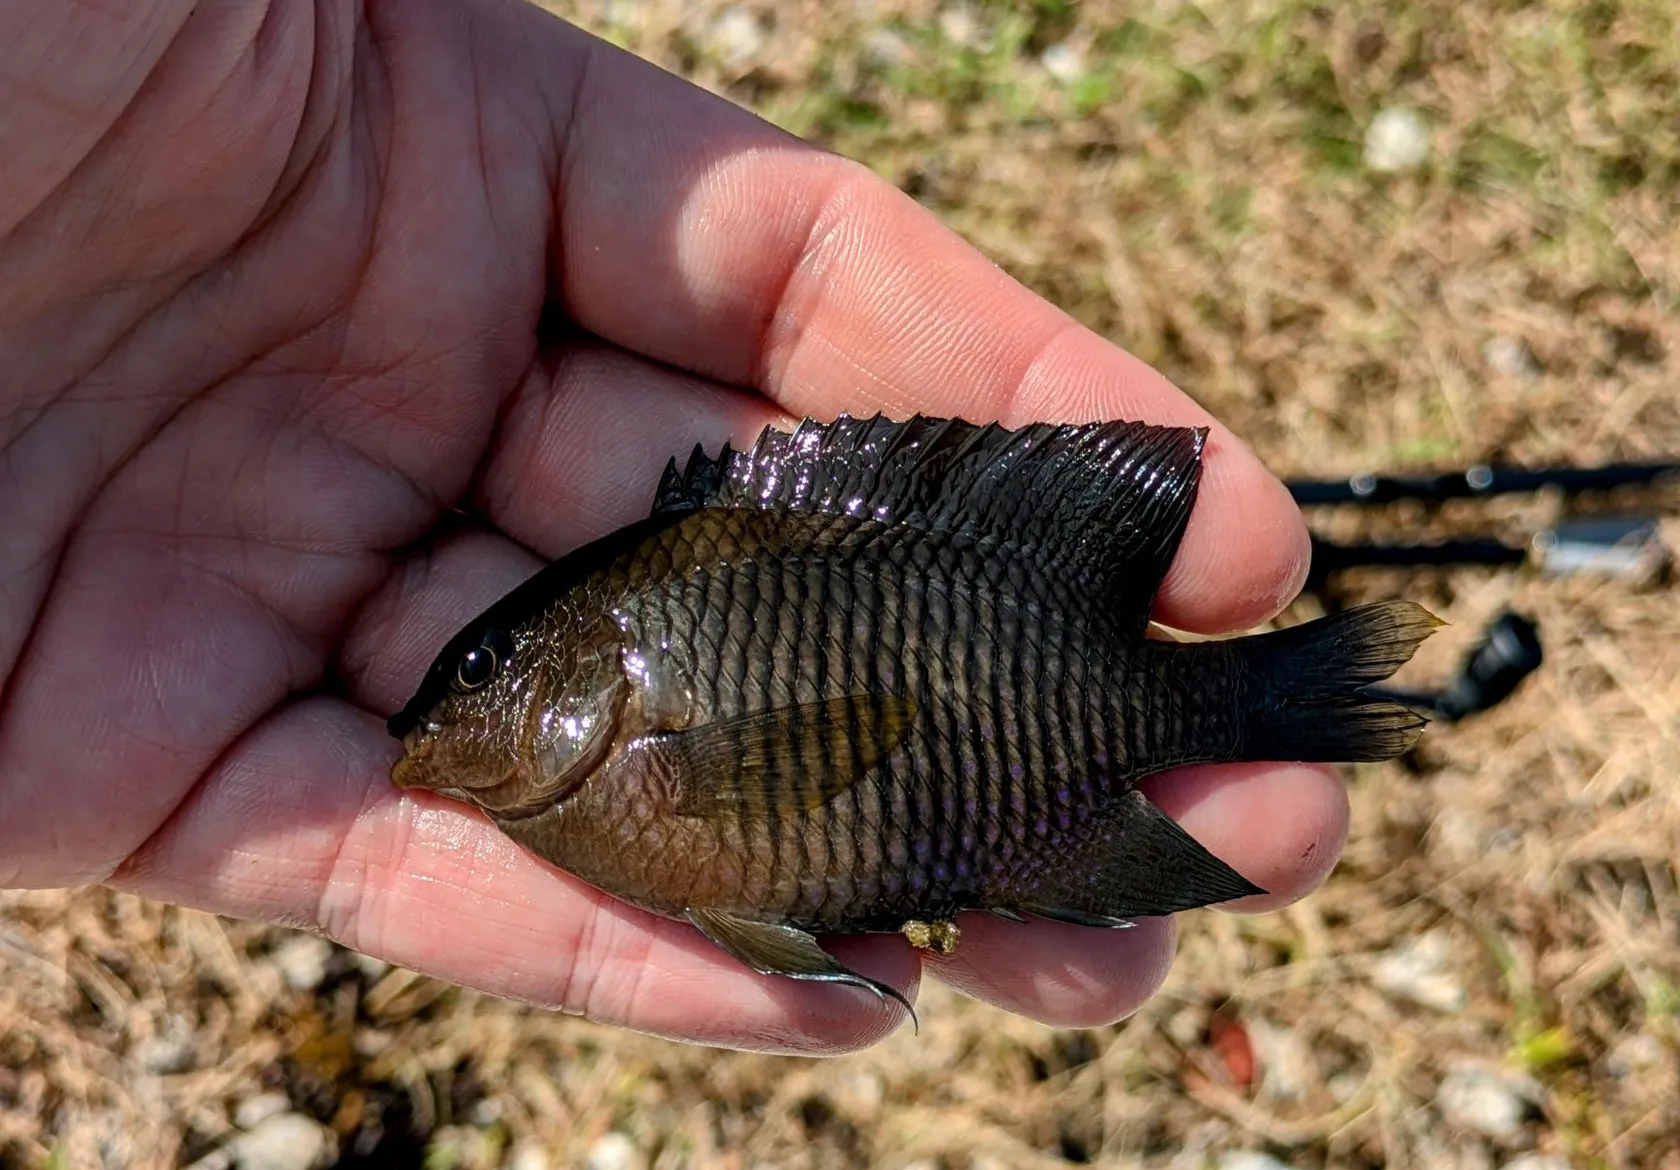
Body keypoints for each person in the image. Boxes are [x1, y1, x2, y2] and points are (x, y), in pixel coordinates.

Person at [0, 0, 1342, 1054]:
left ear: (595, 687)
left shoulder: (636, 699)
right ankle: (1278, 700)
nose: (453, 705)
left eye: (484, 675)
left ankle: (1264, 699)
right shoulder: (615, 721)